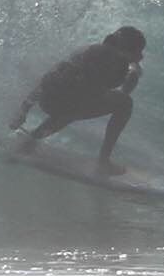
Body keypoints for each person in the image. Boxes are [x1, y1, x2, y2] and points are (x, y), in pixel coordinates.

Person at [8, 25, 146, 174]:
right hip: (58, 100)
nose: (141, 56)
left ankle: (30, 140)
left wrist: (23, 110)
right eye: (138, 51)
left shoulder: (106, 56)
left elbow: (123, 92)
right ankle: (103, 163)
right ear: (127, 50)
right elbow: (50, 78)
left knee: (89, 101)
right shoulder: (102, 56)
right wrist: (23, 110)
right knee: (122, 103)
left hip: (61, 100)